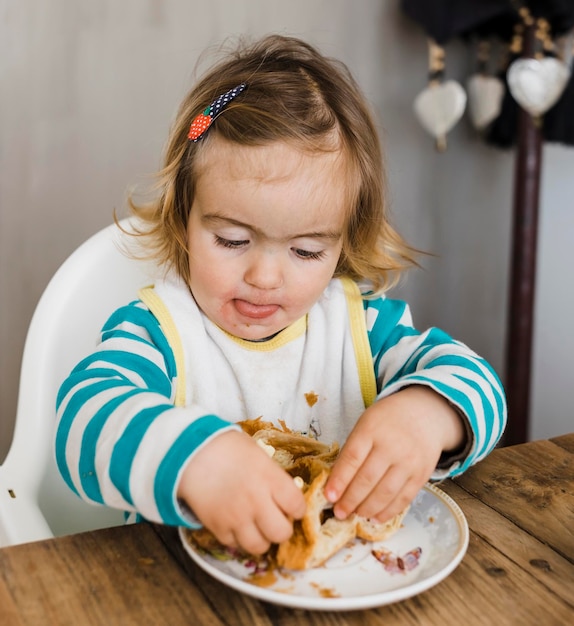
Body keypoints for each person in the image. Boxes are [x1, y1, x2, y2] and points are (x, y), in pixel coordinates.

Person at [55, 34, 506, 556]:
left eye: (307, 251)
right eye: (233, 240)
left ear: (344, 241)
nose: (265, 277)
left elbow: (481, 384)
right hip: (178, 590)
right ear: (183, 220)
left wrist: (430, 413)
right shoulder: (156, 331)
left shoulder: (361, 330)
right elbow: (81, 423)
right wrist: (195, 458)